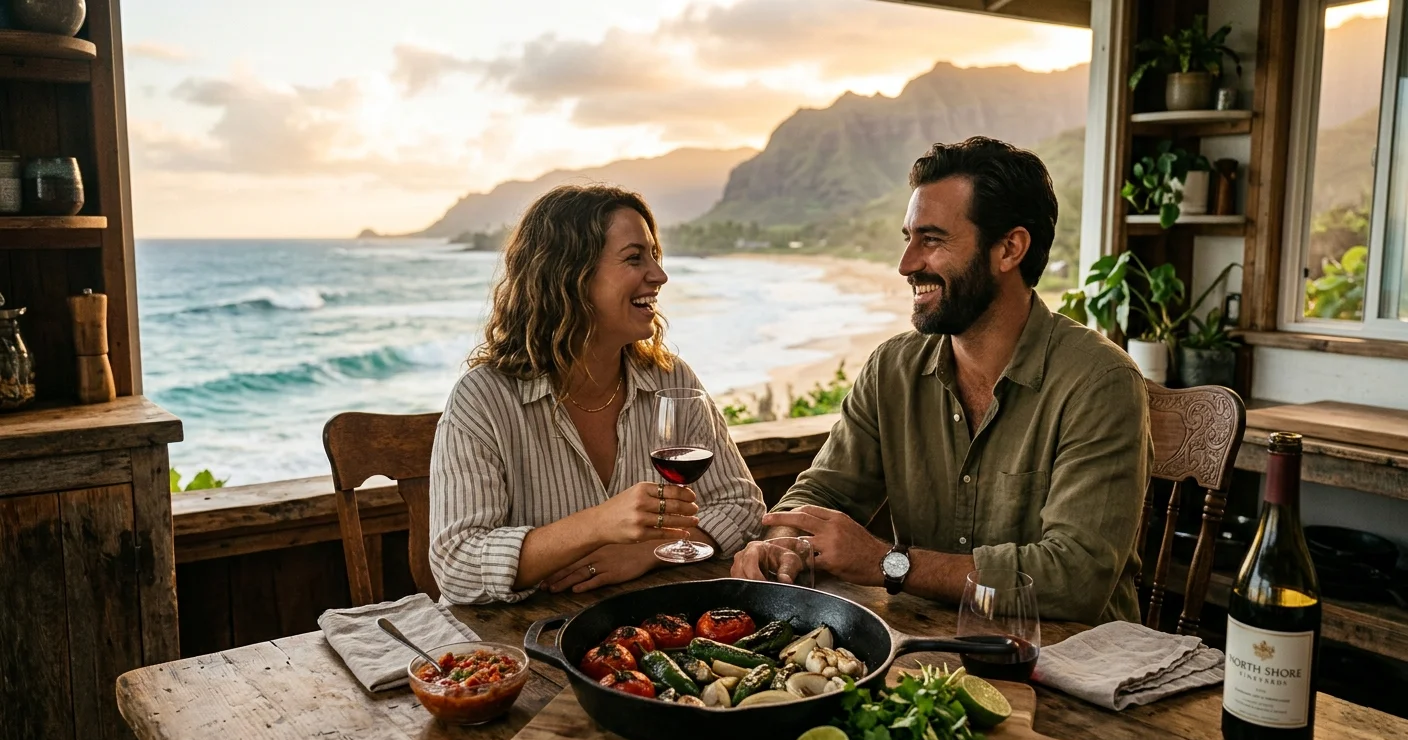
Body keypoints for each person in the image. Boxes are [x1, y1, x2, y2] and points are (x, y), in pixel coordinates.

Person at [731, 137, 1151, 624]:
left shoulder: (1100, 381)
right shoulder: (891, 370)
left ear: (1009, 249)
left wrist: (888, 564)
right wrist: (783, 544)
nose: (907, 264)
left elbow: (1075, 577)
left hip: (1072, 666)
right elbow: (823, 494)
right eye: (908, 238)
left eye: (931, 240)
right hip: (928, 652)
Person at [429, 184, 765, 604]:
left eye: (654, 256)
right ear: (569, 276)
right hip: (517, 647)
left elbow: (743, 508)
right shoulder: (483, 400)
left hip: (639, 631)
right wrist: (599, 525)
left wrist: (645, 553)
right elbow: (457, 566)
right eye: (634, 258)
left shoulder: (671, 380)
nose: (659, 275)